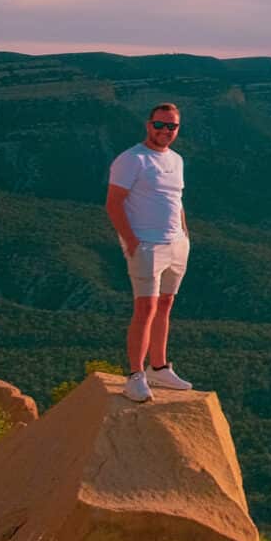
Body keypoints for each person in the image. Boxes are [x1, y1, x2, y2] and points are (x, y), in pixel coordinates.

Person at [106, 102, 197, 402]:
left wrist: (184, 234)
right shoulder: (132, 159)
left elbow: (176, 198)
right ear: (148, 125)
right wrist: (130, 240)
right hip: (146, 244)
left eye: (171, 126)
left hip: (175, 244)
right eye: (160, 125)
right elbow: (114, 202)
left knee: (166, 305)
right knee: (144, 309)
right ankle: (135, 375)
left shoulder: (177, 160)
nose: (165, 131)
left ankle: (159, 367)